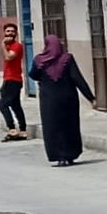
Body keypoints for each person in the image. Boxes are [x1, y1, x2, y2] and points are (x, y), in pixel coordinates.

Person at [27, 35, 96, 166]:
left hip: (48, 101)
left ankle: (59, 157)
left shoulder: (39, 60)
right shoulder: (67, 59)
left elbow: (33, 74)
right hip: (68, 99)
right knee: (69, 126)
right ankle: (70, 155)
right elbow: (77, 79)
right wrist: (91, 98)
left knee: (52, 128)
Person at [0, 22, 27, 142]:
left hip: (12, 80)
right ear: (4, 33)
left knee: (3, 105)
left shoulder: (17, 46)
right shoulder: (9, 46)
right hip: (11, 79)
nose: (10, 33)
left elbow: (9, 57)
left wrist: (3, 46)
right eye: (8, 31)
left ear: (16, 34)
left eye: (12, 31)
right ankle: (23, 131)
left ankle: (12, 130)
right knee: (15, 106)